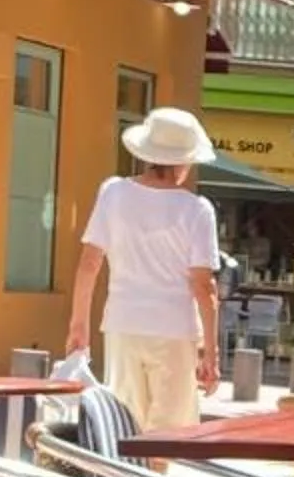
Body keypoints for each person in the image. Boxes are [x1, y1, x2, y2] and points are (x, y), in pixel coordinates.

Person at [66, 105, 221, 427]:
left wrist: (79, 324)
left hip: (123, 322)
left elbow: (89, 264)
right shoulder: (197, 210)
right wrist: (211, 351)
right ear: (183, 160)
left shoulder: (113, 192)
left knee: (124, 425)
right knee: (169, 432)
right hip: (175, 329)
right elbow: (203, 286)